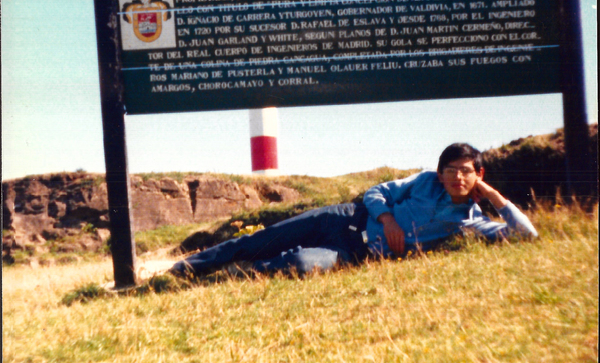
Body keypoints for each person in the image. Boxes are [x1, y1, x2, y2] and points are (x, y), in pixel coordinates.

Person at [170, 143, 537, 277]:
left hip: (352, 251)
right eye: (451, 170)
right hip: (344, 217)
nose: (458, 177)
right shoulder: (425, 181)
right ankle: (182, 269)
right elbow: (376, 192)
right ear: (440, 173)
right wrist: (387, 218)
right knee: (260, 238)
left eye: (467, 171)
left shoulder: (472, 224)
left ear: (479, 174)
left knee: (300, 265)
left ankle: (235, 274)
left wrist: (492, 195)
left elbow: (526, 235)